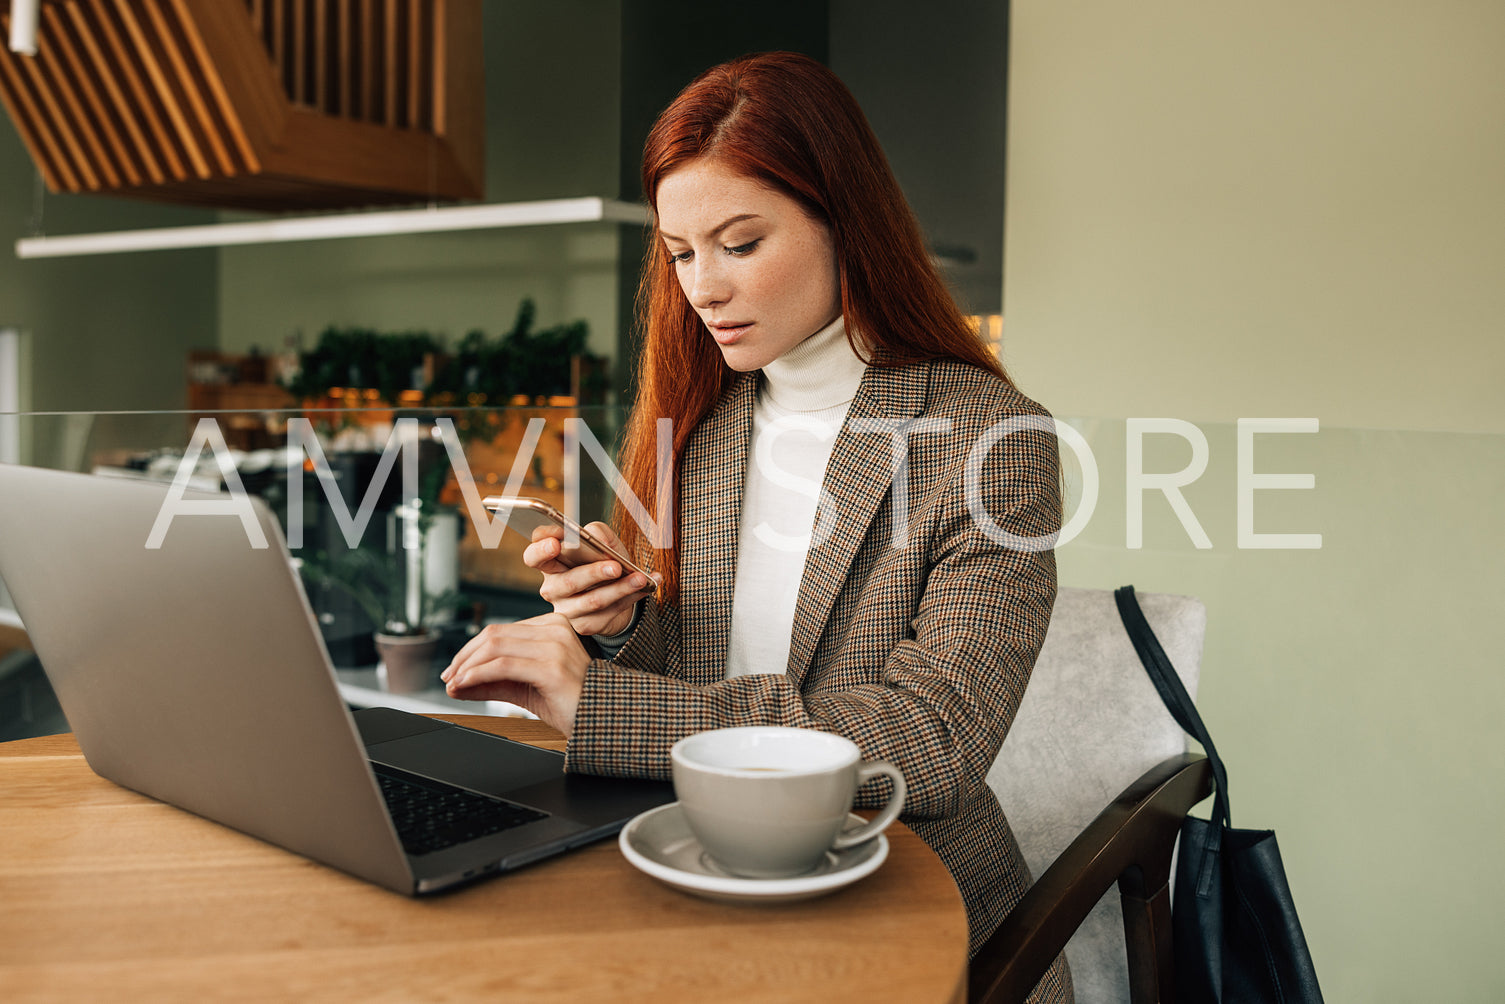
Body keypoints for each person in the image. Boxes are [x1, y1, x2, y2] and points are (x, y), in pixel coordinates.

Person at [441, 51, 1071, 1001]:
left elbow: (936, 741)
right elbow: (706, 672)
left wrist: (603, 708)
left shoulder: (990, 438)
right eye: (681, 253)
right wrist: (620, 630)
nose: (703, 289)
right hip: (696, 874)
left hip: (899, 901)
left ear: (842, 222)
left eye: (740, 244)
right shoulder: (703, 423)